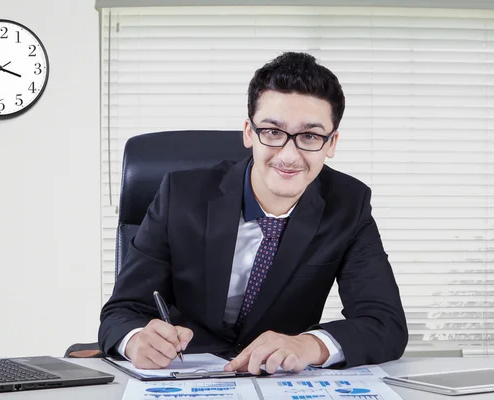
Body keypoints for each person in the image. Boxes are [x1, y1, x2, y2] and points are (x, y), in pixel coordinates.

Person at [98, 52, 408, 374]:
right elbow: (122, 312)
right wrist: (135, 340)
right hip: (185, 373)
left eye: (310, 136)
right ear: (249, 132)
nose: (289, 155)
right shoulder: (181, 195)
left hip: (277, 378)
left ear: (331, 143)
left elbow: (385, 323)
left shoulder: (349, 204)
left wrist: (308, 345)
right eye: (273, 132)